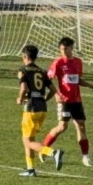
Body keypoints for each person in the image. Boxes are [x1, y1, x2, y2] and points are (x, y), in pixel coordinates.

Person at [44, 36, 93, 167]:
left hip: (77, 100)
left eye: (67, 48)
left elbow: (77, 79)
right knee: (62, 127)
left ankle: (85, 156)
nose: (64, 51)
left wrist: (89, 85)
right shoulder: (58, 63)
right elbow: (47, 79)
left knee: (81, 126)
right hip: (64, 101)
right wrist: (56, 93)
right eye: (62, 49)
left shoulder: (78, 62)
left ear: (71, 48)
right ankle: (44, 149)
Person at [16, 44, 61, 177]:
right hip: (42, 108)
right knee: (29, 139)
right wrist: (43, 99)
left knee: (27, 142)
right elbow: (54, 91)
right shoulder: (42, 71)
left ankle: (52, 153)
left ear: (25, 57)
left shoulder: (23, 70)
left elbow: (24, 88)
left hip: (31, 108)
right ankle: (31, 169)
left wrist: (20, 98)